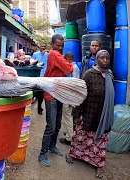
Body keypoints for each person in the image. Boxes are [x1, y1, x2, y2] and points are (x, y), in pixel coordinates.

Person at [66, 50, 114, 178]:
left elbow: (110, 97)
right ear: (97, 59)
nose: (105, 61)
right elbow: (80, 95)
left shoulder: (109, 75)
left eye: (107, 58)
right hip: (88, 113)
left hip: (102, 116)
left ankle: (98, 164)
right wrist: (76, 114)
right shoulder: (89, 74)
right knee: (81, 137)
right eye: (102, 58)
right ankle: (74, 154)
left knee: (99, 141)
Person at [38, 34, 74, 167]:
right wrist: (67, 62)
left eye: (61, 45)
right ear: (52, 44)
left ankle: (52, 146)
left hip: (58, 92)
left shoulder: (57, 54)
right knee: (51, 126)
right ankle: (42, 153)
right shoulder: (54, 54)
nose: (59, 47)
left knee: (58, 124)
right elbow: (69, 68)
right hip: (51, 93)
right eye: (57, 45)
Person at [60, 52, 80, 145]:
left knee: (67, 116)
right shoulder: (74, 67)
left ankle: (69, 138)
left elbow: (74, 83)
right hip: (70, 95)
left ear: (67, 59)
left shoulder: (73, 68)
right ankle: (69, 132)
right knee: (69, 115)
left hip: (69, 96)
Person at [32, 43, 49, 115]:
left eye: (44, 46)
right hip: (37, 75)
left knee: (42, 93)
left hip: (45, 75)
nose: (43, 48)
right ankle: (38, 106)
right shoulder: (35, 54)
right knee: (37, 92)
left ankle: (40, 107)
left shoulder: (48, 54)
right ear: (39, 47)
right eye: (42, 46)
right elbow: (32, 62)